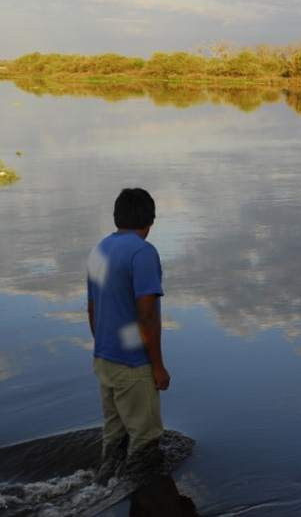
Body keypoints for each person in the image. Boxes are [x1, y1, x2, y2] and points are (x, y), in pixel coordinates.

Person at [87, 188, 170, 480]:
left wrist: (102, 347)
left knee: (114, 438)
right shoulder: (143, 253)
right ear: (150, 220)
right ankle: (137, 492)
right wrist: (157, 366)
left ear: (116, 217)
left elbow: (92, 305)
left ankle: (101, 486)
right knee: (146, 439)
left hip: (104, 358)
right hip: (133, 364)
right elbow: (147, 314)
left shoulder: (99, 249)